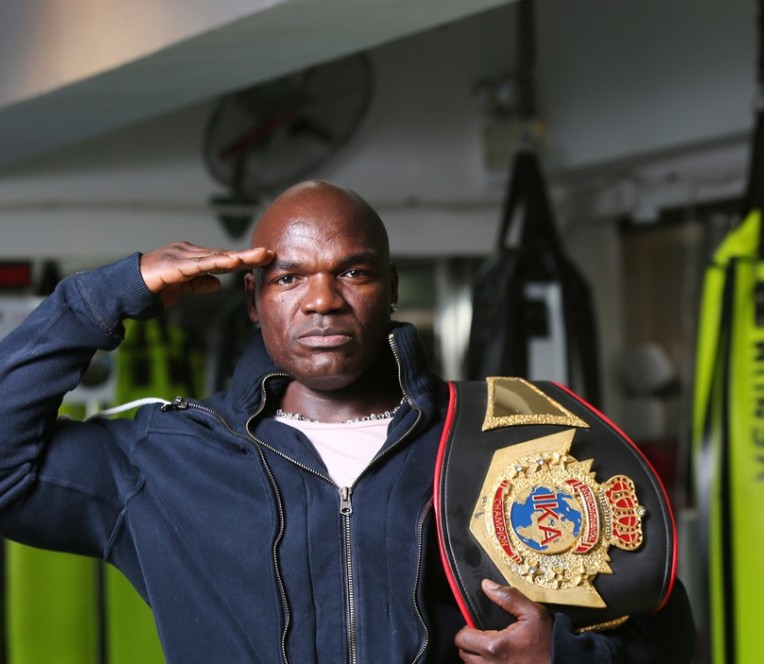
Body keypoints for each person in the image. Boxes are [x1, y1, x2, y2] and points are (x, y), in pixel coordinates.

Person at [0, 180, 696, 663]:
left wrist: (565, 660)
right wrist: (103, 296)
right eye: (290, 276)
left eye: (353, 272)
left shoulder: (502, 438)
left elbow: (664, 631)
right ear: (254, 298)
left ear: (390, 288)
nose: (323, 300)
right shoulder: (165, 458)